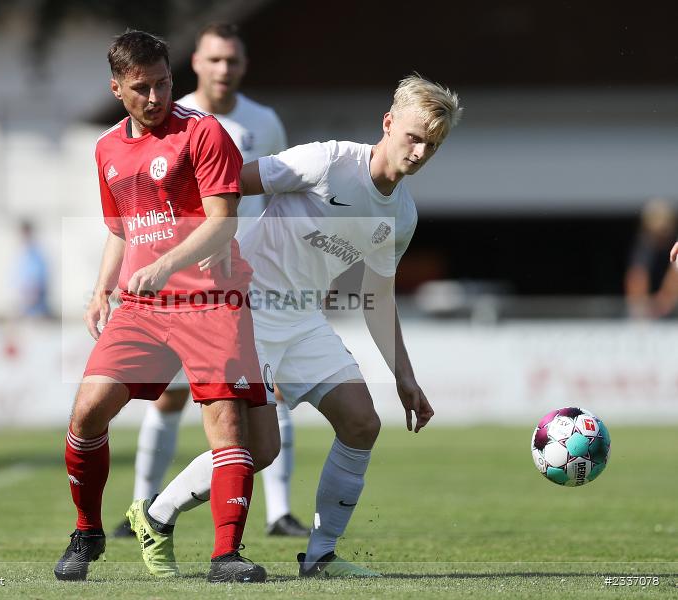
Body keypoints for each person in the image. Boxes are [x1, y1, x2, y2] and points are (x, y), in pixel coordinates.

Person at [132, 74, 461, 578]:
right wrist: (210, 245)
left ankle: (321, 556)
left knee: (362, 423)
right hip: (248, 310)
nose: (419, 153)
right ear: (388, 123)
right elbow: (227, 184)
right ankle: (156, 515)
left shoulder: (402, 216)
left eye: (432, 146)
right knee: (260, 450)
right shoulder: (328, 161)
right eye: (414, 137)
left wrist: (404, 375)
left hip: (304, 319)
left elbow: (377, 296)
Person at [53, 30, 269, 584]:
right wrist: (101, 289)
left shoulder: (204, 132)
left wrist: (167, 264)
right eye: (141, 88)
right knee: (86, 413)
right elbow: (120, 229)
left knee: (228, 426)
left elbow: (223, 221)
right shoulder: (106, 148)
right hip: (142, 306)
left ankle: (226, 556)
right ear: (117, 89)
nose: (155, 97)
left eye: (164, 84)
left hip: (211, 300)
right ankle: (87, 531)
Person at [111, 22, 307, 541]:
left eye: (232, 60)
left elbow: (281, 198)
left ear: (243, 65)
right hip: (182, 285)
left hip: (254, 278)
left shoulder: (264, 121)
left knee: (270, 391)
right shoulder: (167, 116)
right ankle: (140, 506)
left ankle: (279, 512)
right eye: (214, 59)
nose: (224, 69)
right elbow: (135, 214)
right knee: (170, 397)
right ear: (194, 63)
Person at [625, 198, 678, 319]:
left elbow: (675, 275)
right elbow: (637, 277)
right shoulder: (644, 245)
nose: (660, 235)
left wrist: (664, 301)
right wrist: (641, 309)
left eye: (664, 230)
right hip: (648, 315)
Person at [13, 219, 51, 319]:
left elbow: (40, 277)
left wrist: (33, 293)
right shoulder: (21, 253)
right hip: (24, 303)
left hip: (35, 303)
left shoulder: (36, 254)